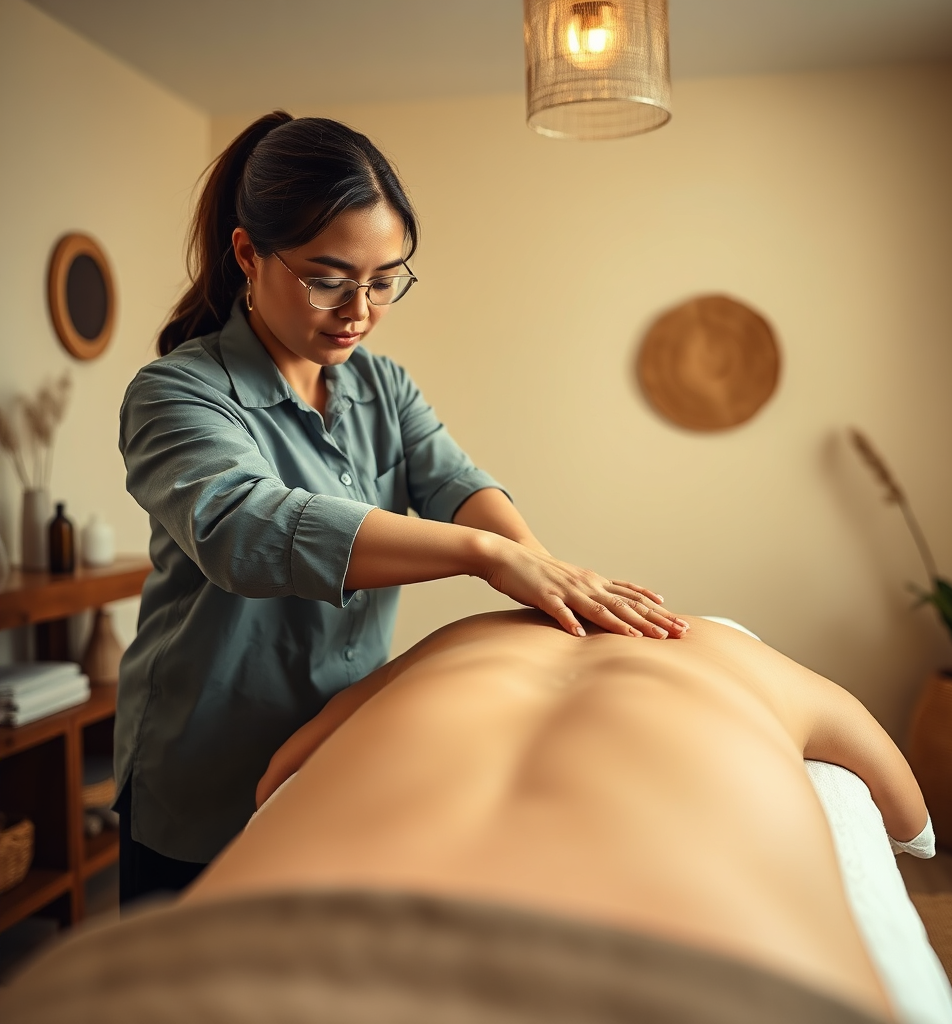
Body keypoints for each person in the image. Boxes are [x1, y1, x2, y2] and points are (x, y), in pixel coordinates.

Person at [114, 111, 687, 906]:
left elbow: (458, 484)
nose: (359, 310)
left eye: (384, 281)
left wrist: (543, 569)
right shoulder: (178, 392)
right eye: (328, 278)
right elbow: (241, 529)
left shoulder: (382, 385)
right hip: (207, 768)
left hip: (340, 758)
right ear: (248, 252)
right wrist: (485, 557)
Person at [3, 614, 929, 1023]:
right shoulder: (738, 655)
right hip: (716, 979)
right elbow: (906, 809)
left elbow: (285, 768)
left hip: (231, 966)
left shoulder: (462, 637)